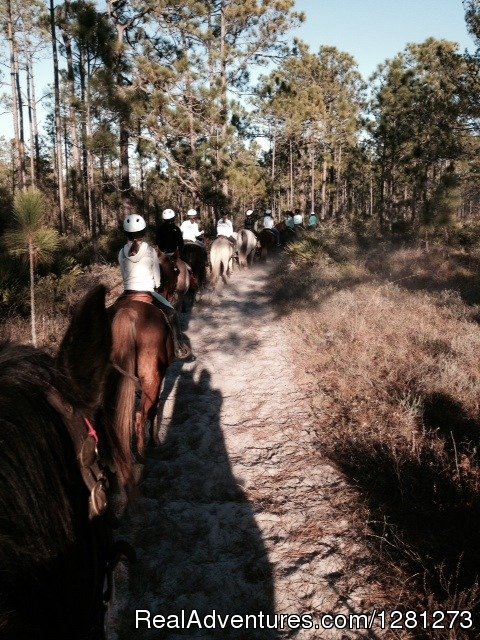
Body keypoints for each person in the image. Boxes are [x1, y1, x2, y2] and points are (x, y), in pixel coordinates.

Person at [118, 214, 195, 361]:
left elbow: (123, 274)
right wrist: (157, 284)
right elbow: (157, 277)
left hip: (127, 292)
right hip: (146, 290)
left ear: (126, 233)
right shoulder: (149, 250)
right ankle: (178, 347)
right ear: (143, 233)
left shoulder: (121, 252)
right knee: (171, 313)